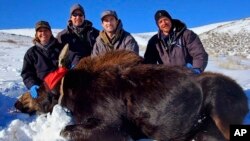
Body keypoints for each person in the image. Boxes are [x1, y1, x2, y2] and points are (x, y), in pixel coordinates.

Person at [144, 10, 208, 74]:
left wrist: (196, 70)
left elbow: (199, 54)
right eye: (160, 22)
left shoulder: (186, 34)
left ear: (170, 20)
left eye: (165, 19)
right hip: (167, 78)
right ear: (158, 25)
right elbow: (149, 62)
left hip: (187, 75)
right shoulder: (154, 41)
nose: (164, 23)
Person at [21, 21, 66, 98]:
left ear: (50, 32)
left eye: (46, 30)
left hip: (61, 90)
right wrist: (32, 85)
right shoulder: (31, 53)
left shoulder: (61, 49)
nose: (43, 33)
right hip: (41, 91)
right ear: (36, 34)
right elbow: (27, 73)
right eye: (40, 31)